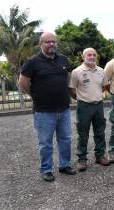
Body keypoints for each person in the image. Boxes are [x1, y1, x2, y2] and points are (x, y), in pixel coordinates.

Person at [18, 32, 76, 182]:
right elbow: (23, 83)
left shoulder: (63, 59)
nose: (51, 44)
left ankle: (65, 165)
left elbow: (67, 78)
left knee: (65, 139)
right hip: (43, 111)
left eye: (53, 42)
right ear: (41, 44)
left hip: (63, 109)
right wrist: (35, 96)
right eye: (47, 42)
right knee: (45, 143)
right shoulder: (32, 62)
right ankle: (46, 169)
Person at [69, 48, 110, 171]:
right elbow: (71, 89)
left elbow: (103, 87)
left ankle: (100, 156)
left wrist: (95, 96)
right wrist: (81, 98)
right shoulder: (77, 72)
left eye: (94, 55)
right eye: (89, 55)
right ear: (83, 57)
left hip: (98, 106)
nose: (92, 57)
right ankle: (81, 160)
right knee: (83, 134)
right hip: (84, 106)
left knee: (100, 132)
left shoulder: (101, 71)